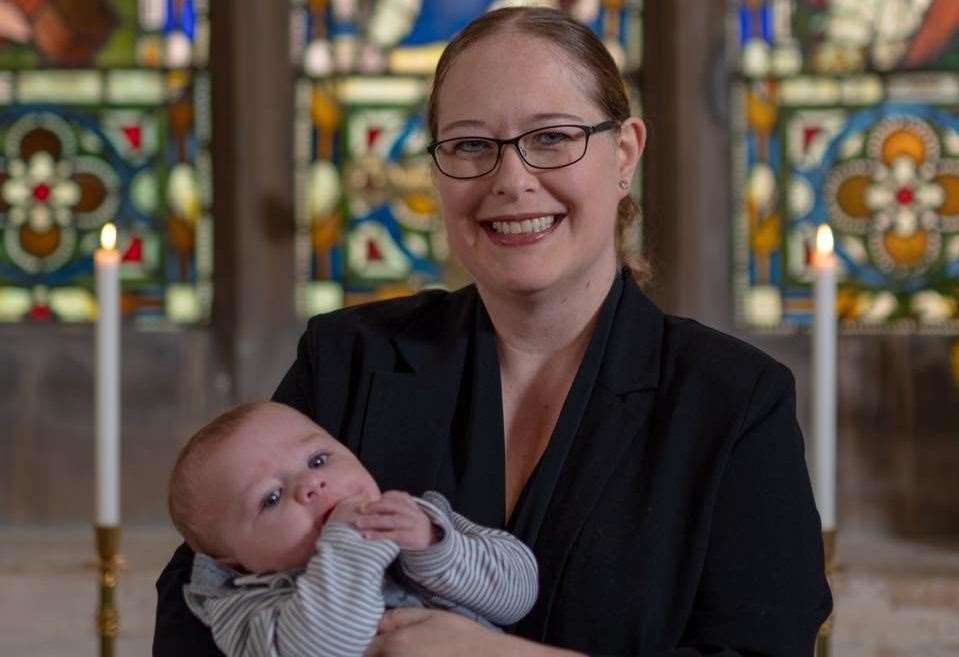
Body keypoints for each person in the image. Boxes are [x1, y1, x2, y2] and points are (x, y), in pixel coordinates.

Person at [154, 7, 832, 656]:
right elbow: (199, 608)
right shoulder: (346, 359)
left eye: (552, 138)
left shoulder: (734, 399)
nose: (511, 180)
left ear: (623, 151)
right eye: (471, 145)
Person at [168, 401, 538, 657]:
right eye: (272, 497)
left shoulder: (421, 520)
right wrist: (350, 546)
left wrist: (436, 545)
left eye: (318, 459)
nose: (311, 485)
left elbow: (519, 595)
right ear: (231, 561)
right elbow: (323, 648)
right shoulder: (251, 605)